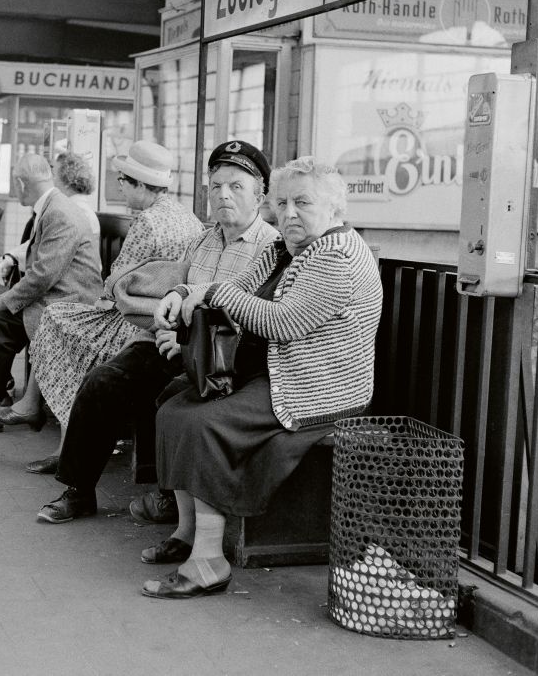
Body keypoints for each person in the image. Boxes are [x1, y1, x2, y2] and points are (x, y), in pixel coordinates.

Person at [138, 156, 383, 598]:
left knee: (200, 421)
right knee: (174, 405)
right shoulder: (286, 250)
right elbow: (242, 288)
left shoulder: (338, 256)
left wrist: (212, 293)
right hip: (279, 372)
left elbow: (282, 323)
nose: (289, 214)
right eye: (282, 203)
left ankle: (209, 561)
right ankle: (188, 532)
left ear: (334, 208)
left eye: (302, 203)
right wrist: (182, 292)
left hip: (317, 387)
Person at [37, 140, 277, 523]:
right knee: (104, 380)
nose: (223, 195)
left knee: (169, 394)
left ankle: (168, 497)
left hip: (223, 361)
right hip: (176, 345)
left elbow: (249, 322)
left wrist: (183, 338)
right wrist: (169, 325)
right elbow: (178, 294)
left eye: (236, 186)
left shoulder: (270, 248)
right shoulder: (203, 240)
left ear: (260, 195)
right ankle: (79, 490)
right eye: (215, 187)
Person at [0, 141, 203, 475]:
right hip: (163, 317)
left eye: (123, 179)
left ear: (139, 183)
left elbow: (115, 282)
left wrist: (98, 302)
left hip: (133, 320)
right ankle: (42, 417)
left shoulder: (147, 222)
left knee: (58, 319)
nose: (119, 185)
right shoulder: (188, 217)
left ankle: (56, 432)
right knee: (62, 320)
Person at [0, 153, 102, 434]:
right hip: (61, 297)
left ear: (20, 183)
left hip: (69, 304)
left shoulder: (59, 213)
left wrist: (4, 299)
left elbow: (43, 275)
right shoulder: (54, 206)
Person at [53, 152, 100, 237]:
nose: (52, 181)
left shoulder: (72, 213)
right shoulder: (79, 208)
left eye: (54, 175)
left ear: (68, 179)